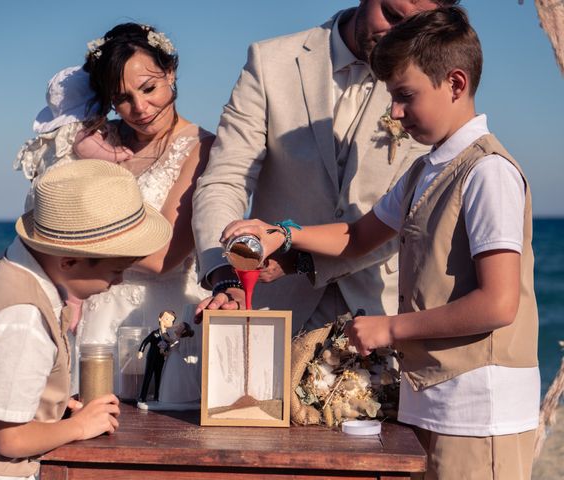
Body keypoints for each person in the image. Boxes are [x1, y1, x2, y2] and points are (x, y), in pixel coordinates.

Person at [222, 7, 539, 479]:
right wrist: (282, 233)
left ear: (455, 83)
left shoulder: (488, 172)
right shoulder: (423, 171)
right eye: (392, 97)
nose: (394, 112)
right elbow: (356, 236)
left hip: (480, 408)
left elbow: (498, 304)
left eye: (405, 96)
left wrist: (390, 329)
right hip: (430, 398)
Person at [193, 0, 459, 333]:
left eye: (415, 26)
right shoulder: (270, 62)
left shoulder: (429, 83)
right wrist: (227, 275)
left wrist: (302, 260)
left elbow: (413, 213)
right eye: (391, 15)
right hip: (272, 304)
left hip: (380, 311)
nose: (397, 35)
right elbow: (224, 180)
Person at [0, 160, 172, 479]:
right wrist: (79, 426)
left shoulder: (5, 272)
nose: (120, 281)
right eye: (116, 270)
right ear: (68, 261)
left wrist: (56, 405)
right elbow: (11, 439)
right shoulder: (23, 317)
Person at [74, 23, 213, 391]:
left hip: (163, 319)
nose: (140, 108)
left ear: (170, 72)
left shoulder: (202, 148)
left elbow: (161, 255)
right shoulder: (99, 143)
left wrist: (78, 242)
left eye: (149, 88)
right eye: (122, 98)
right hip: (99, 317)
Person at [14, 65, 135, 211]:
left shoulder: (56, 137)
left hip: (47, 196)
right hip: (70, 192)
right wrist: (116, 153)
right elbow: (84, 146)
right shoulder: (82, 129)